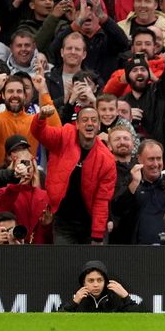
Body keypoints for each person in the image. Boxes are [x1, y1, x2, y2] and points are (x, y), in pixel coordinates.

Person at [30, 105, 116, 244]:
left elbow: (102, 199)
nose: (89, 123)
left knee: (94, 264)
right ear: (77, 124)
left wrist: (97, 235)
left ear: (99, 126)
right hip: (64, 221)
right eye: (85, 120)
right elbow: (40, 133)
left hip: (90, 222)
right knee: (65, 263)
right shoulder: (64, 136)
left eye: (94, 120)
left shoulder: (107, 159)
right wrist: (41, 117)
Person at [60, 260, 138, 313]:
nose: (96, 285)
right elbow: (57, 320)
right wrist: (73, 304)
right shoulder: (76, 298)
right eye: (91, 280)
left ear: (105, 281)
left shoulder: (115, 297)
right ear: (83, 283)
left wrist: (126, 297)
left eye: (100, 280)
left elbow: (139, 319)